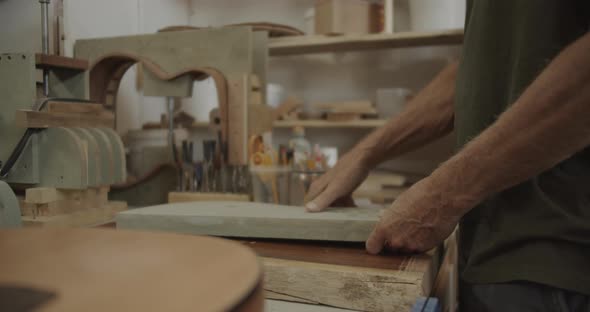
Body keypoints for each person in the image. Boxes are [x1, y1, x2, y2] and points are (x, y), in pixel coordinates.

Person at [305, 2, 590, 311]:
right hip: (491, 254)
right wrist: (364, 154)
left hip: (558, 265)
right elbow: (477, 67)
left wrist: (441, 196)